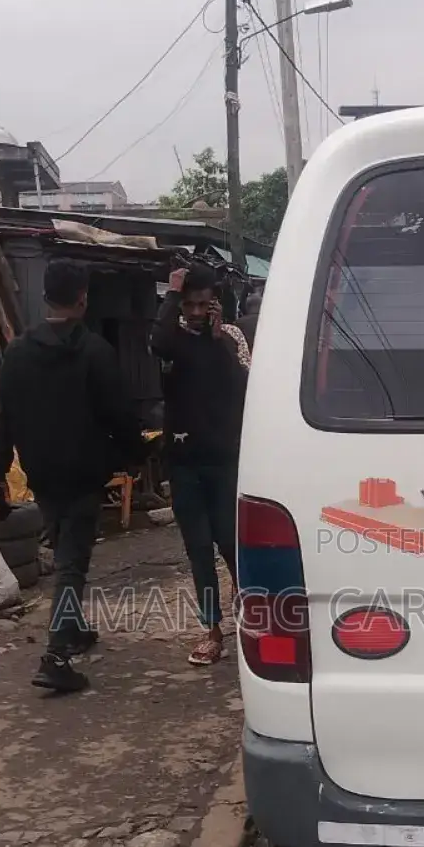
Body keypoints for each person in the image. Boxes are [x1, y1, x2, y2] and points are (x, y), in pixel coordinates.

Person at [0, 259, 145, 693]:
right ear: (83, 299)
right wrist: (136, 455)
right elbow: (119, 414)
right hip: (84, 472)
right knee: (72, 563)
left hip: (41, 471)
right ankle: (56, 657)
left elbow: (3, 417)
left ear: (44, 298)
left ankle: (71, 628)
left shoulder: (18, 352)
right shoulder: (95, 351)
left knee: (64, 551)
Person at [151, 262, 250, 664]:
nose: (195, 312)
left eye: (202, 305)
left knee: (230, 541)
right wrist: (172, 294)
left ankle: (248, 604)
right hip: (183, 463)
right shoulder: (172, 340)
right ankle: (212, 631)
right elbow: (158, 342)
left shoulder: (231, 339)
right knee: (198, 549)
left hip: (224, 461)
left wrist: (217, 337)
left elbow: (243, 389)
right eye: (188, 304)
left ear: (215, 304)